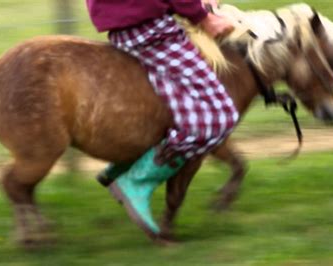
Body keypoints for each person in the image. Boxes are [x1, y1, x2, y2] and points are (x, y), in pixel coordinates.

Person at [86, 0, 239, 237]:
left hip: (127, 22)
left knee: (184, 108)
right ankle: (137, 181)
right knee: (221, 115)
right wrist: (204, 18)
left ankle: (128, 164)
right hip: (150, 29)